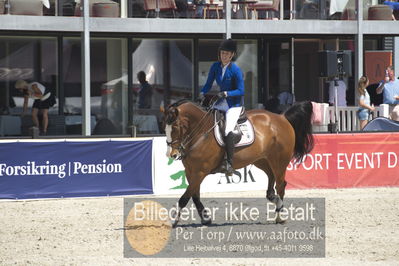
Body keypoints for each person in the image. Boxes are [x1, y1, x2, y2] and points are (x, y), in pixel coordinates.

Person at [198, 38, 244, 176]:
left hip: (234, 104)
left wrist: (226, 93)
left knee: (228, 129)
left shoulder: (235, 69)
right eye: (222, 53)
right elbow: (208, 83)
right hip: (222, 102)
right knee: (209, 122)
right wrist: (202, 93)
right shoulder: (215, 67)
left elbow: (241, 90)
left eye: (227, 54)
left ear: (231, 55)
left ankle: (229, 163)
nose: (224, 56)